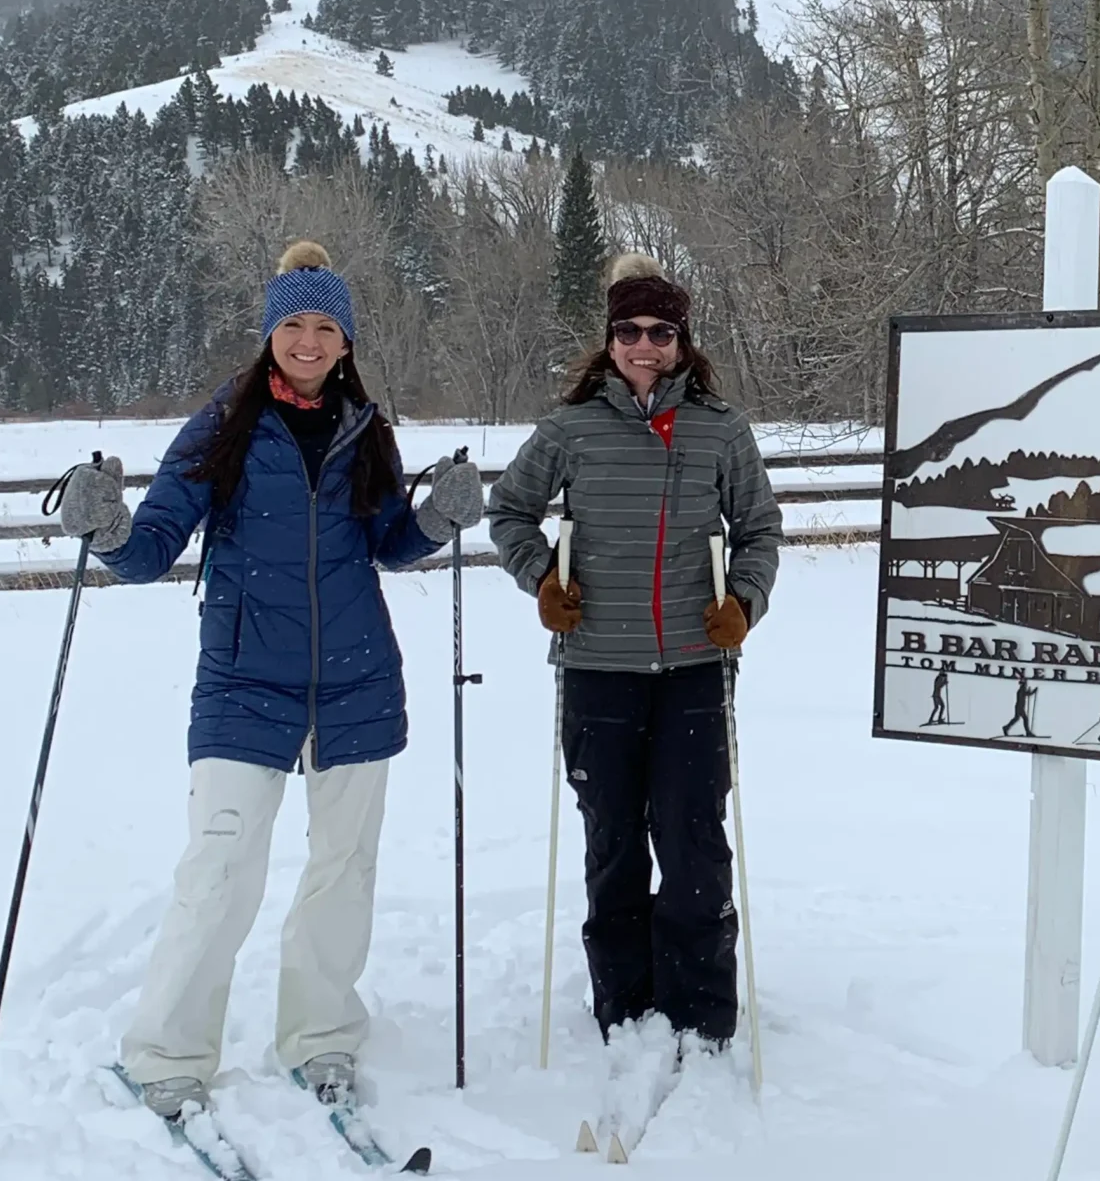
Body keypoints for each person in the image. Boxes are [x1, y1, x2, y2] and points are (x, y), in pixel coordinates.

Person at [56, 242, 485, 1118]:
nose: (310, 339)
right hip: (244, 681)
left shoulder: (365, 426)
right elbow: (148, 552)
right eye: (294, 322)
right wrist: (105, 529)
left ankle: (321, 1040)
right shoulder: (222, 428)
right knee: (219, 871)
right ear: (268, 333)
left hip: (358, 683)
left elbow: (388, 543)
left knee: (343, 872)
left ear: (347, 342)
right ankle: (168, 1054)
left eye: (327, 326)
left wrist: (435, 517)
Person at [488, 253, 782, 1049]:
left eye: (659, 332)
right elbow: (509, 512)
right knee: (612, 840)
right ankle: (623, 1003)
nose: (643, 346)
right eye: (629, 331)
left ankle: (698, 1010)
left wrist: (743, 604)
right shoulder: (570, 427)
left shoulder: (720, 429)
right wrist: (542, 578)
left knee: (691, 839)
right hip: (596, 670)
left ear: (682, 342)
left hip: (694, 668)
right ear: (609, 340)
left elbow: (759, 530)